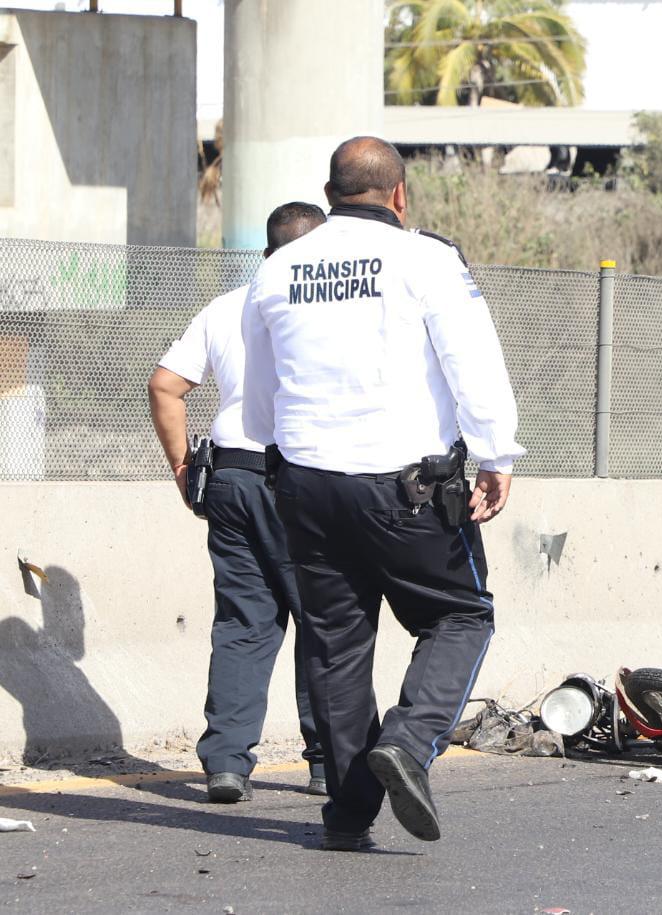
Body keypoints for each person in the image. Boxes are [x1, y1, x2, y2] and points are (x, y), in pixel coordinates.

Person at [241, 136, 523, 852]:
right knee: (461, 614)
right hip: (405, 489)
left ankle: (347, 810)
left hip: (303, 486)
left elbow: (258, 400)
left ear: (331, 192)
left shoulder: (278, 269)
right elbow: (472, 358)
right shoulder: (425, 257)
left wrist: (293, 458)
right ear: (399, 195)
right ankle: (409, 738)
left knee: (335, 647)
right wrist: (495, 453)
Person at [147, 202, 328, 803]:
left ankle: (225, 763)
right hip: (301, 482)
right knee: (324, 623)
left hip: (229, 478)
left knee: (243, 624)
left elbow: (165, 385)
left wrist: (182, 470)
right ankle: (329, 763)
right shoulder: (324, 307)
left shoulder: (227, 305)